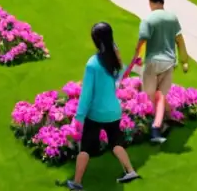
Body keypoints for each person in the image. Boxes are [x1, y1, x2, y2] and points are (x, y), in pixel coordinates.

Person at [60, 22, 140, 190]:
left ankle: (77, 182)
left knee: (86, 148)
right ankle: (130, 171)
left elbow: (86, 94)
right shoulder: (114, 60)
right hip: (114, 111)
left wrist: (79, 116)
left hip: (96, 113)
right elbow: (121, 74)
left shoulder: (93, 64)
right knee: (116, 143)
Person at [130, 0, 189, 145]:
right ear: (163, 0)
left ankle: (157, 128)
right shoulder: (172, 18)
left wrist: (136, 58)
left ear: (150, 1)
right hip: (169, 62)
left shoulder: (148, 20)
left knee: (151, 95)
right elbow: (180, 40)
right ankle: (168, 117)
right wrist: (184, 60)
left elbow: (142, 41)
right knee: (160, 95)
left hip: (153, 62)